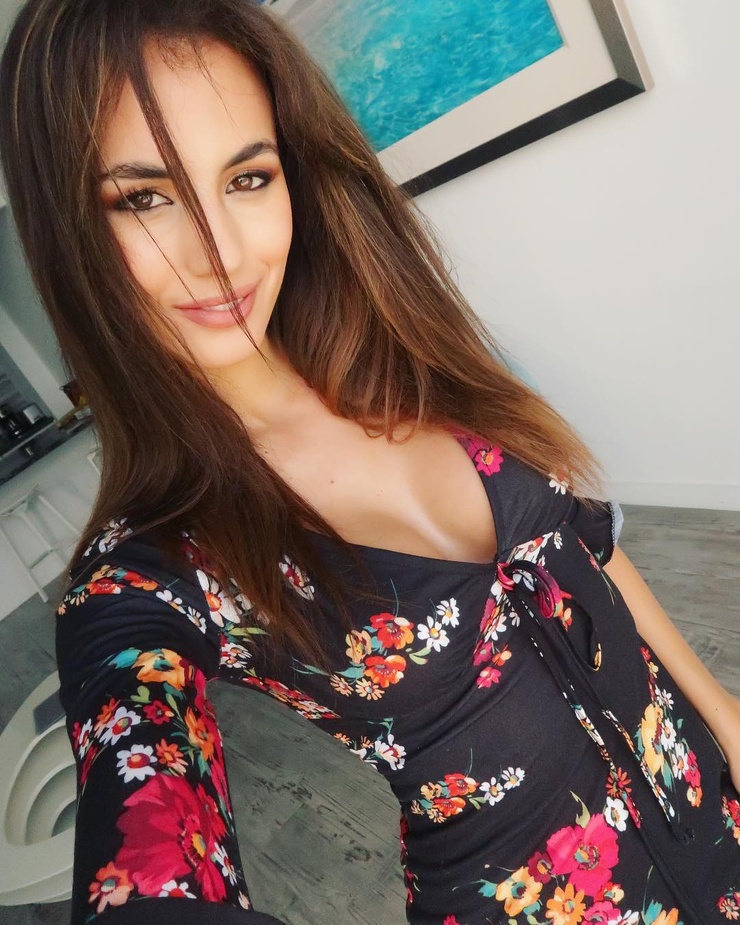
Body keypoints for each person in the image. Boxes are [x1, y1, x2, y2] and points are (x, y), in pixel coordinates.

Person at [1, 1, 738, 923]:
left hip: (704, 799)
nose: (220, 252)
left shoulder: (399, 349)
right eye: (145, 197)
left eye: (248, 177)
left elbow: (583, 543)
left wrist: (722, 710)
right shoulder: (144, 576)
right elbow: (150, 864)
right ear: (69, 230)